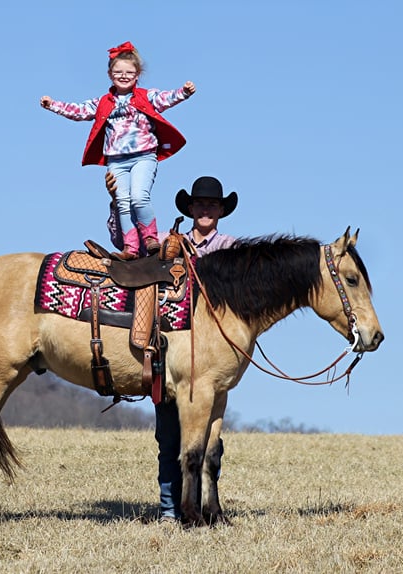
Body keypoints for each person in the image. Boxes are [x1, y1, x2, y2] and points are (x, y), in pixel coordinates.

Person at [41, 41, 196, 260]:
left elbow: (166, 98)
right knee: (122, 202)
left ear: (137, 74)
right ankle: (131, 249)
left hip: (144, 155)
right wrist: (53, 105)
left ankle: (150, 238)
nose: (123, 76)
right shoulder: (104, 102)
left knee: (139, 197)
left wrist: (184, 92)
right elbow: (78, 110)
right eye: (118, 72)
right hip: (116, 160)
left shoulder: (145, 97)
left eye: (129, 72)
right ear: (109, 74)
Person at [156, 175, 238, 523]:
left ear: (220, 211)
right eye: (200, 204)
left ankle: (205, 503)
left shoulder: (231, 249)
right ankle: (169, 509)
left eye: (212, 205)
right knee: (168, 437)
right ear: (190, 209)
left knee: (210, 440)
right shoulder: (173, 244)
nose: (206, 209)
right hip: (171, 353)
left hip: (209, 356)